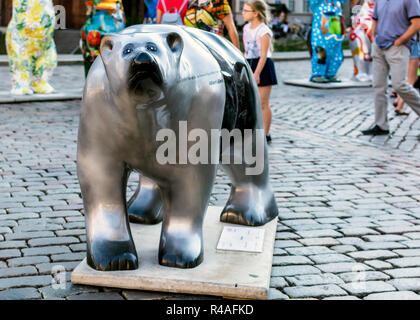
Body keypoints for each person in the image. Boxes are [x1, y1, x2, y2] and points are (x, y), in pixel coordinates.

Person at [362, 0, 420, 136]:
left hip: (397, 48)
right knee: (378, 86)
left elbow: (417, 23)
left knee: (399, 85)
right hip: (379, 47)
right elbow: (375, 19)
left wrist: (400, 41)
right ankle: (381, 125)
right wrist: (374, 38)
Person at [242, 0, 278, 143]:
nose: (243, 13)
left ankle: (266, 133)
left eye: (246, 11)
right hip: (249, 62)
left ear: (255, 13)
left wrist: (256, 73)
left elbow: (264, 55)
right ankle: (251, 131)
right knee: (249, 102)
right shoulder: (246, 28)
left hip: (262, 66)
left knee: (263, 102)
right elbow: (246, 51)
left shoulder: (264, 31)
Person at [393, 38, 420, 115]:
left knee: (404, 79)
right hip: (413, 45)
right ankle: (400, 105)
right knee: (411, 80)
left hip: (402, 47)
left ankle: (398, 100)